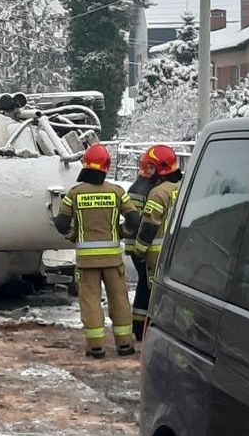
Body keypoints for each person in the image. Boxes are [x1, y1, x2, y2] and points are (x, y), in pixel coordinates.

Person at [55, 144, 141, 359]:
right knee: (120, 300)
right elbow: (134, 220)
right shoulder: (117, 192)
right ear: (107, 166)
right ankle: (124, 345)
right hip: (112, 260)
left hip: (86, 263)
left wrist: (73, 235)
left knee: (91, 302)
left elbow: (61, 224)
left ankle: (96, 347)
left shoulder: (74, 194)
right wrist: (121, 232)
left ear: (85, 164)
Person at [133, 145, 184, 290]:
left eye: (150, 168)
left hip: (158, 256)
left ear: (159, 169)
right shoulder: (183, 187)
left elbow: (149, 226)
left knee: (156, 297)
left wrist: (139, 251)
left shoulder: (158, 193)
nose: (146, 173)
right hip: (179, 252)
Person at [127, 152, 159, 341]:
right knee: (146, 285)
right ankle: (140, 327)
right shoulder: (147, 190)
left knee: (143, 283)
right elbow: (145, 223)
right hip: (142, 246)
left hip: (135, 244)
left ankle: (138, 325)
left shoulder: (136, 187)